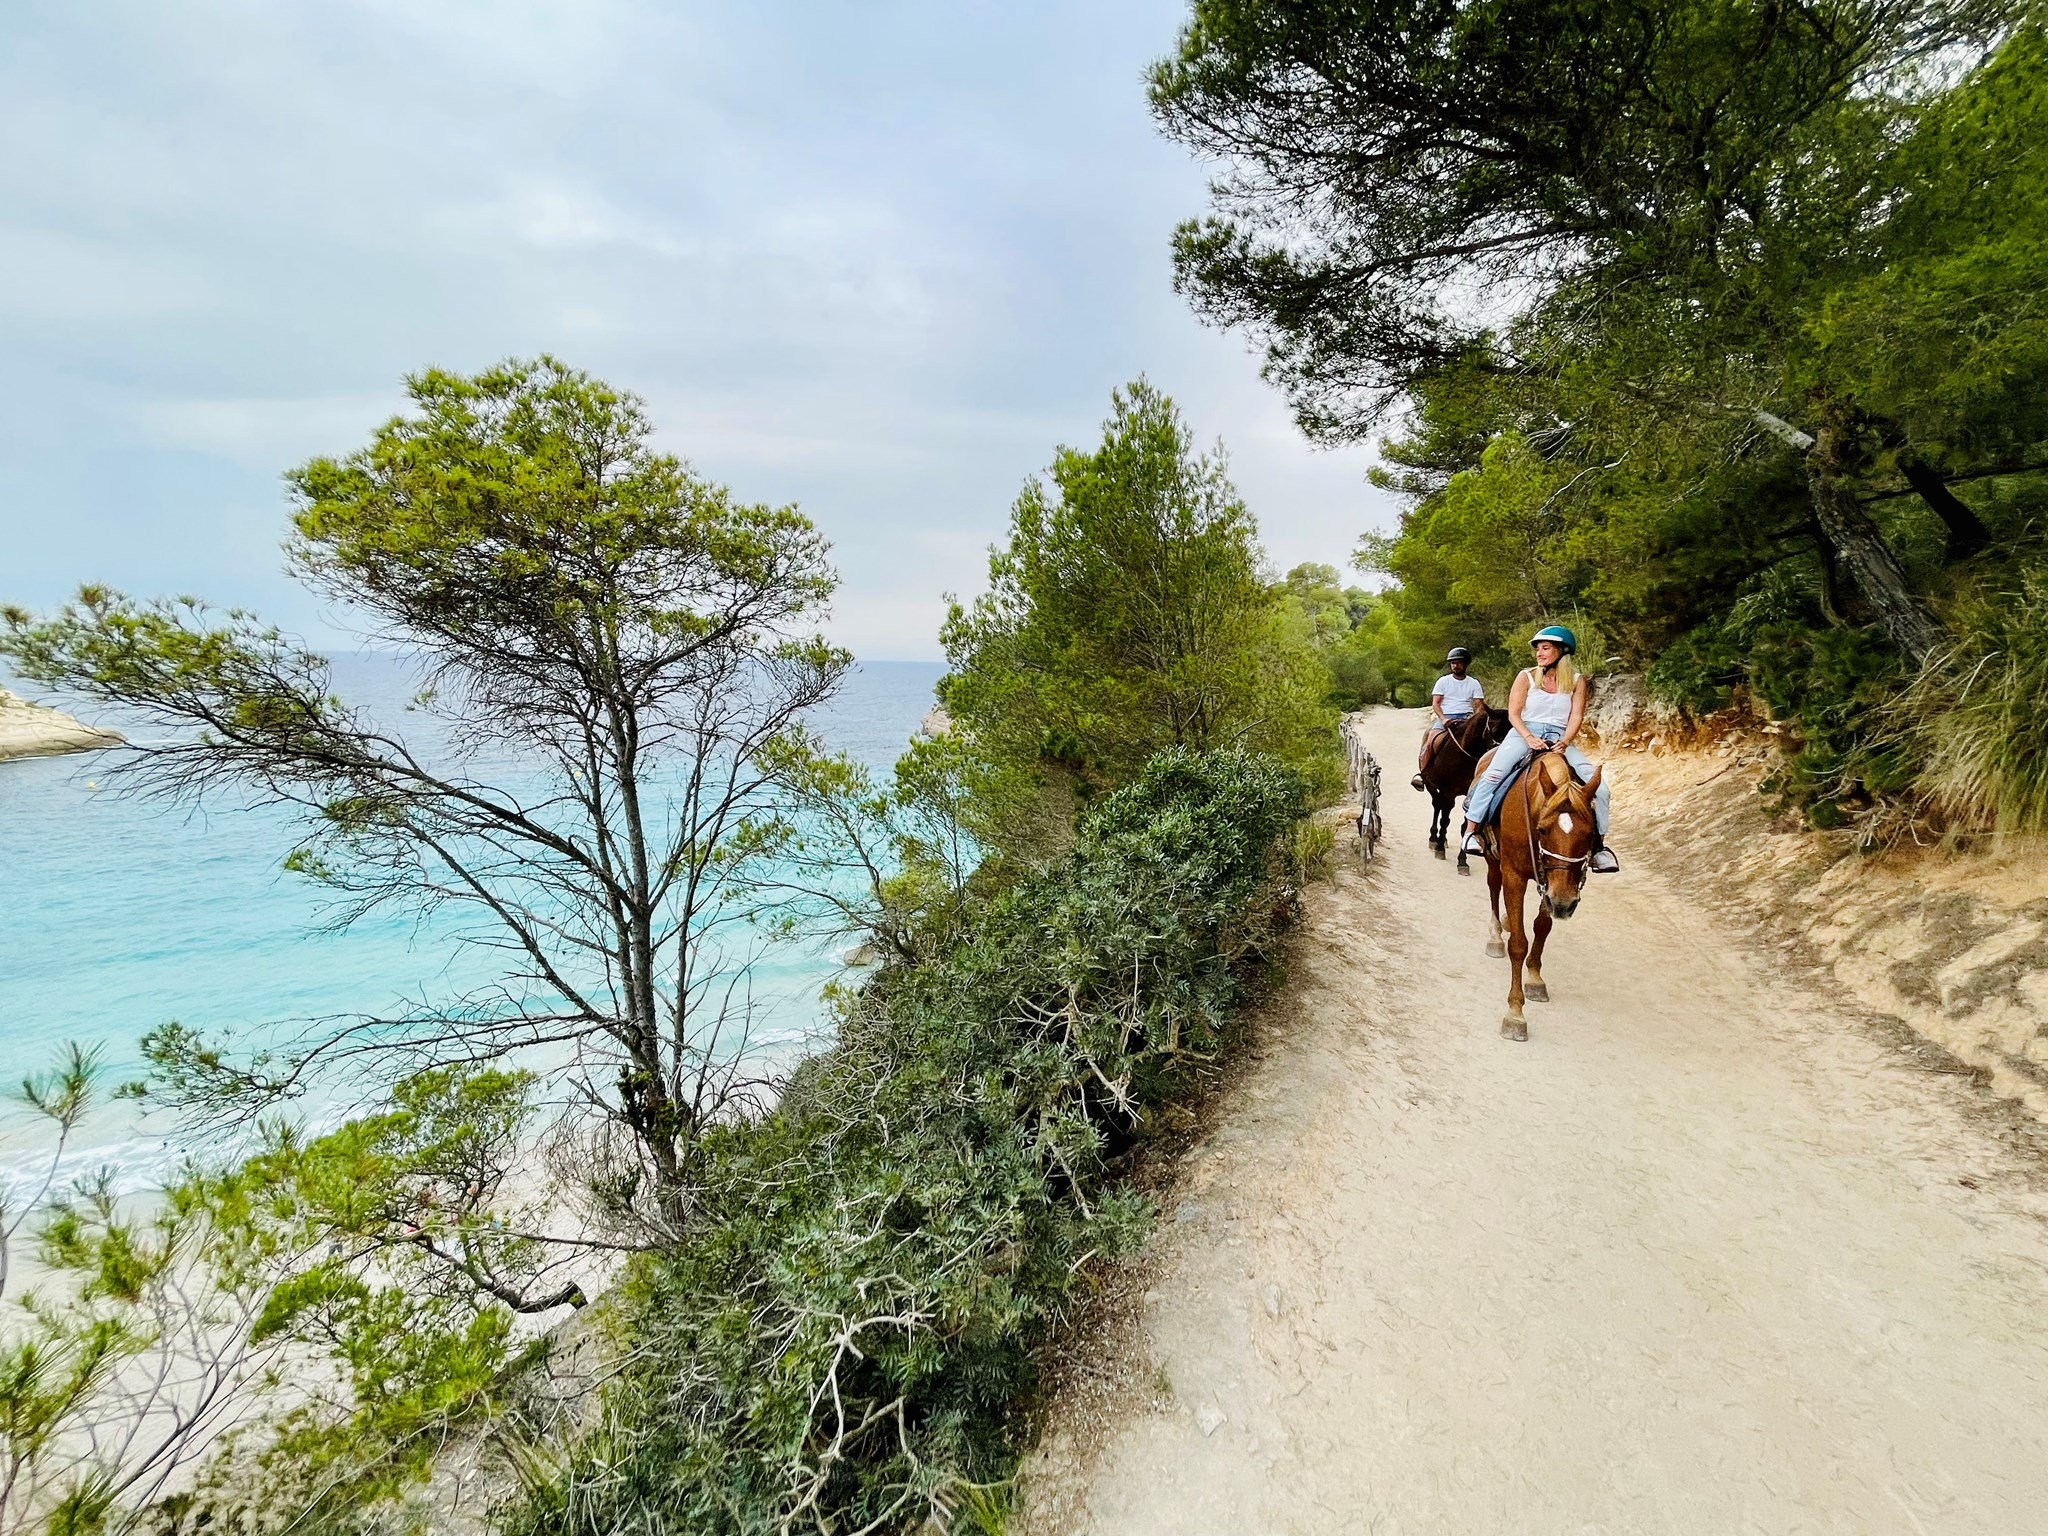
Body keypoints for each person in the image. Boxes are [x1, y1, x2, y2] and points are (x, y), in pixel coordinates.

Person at [1460, 626, 1620, 873]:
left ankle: (1599, 847)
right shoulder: (1526, 676)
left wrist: (1565, 741)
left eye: (1545, 648)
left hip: (1560, 737)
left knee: (1601, 790)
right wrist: (1529, 737)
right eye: (1538, 648)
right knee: (1493, 774)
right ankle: (1472, 831)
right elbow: (1513, 713)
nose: (1539, 653)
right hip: (1524, 733)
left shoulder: (1577, 682)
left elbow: (1576, 715)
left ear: (1561, 651)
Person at [1411, 647, 1486, 791]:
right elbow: (1436, 703)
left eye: (1458, 663)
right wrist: (1443, 718)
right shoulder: (1443, 682)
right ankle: (1423, 774)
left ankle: (1486, 773)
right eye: (1453, 663)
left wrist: (1475, 719)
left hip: (1467, 717)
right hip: (1447, 716)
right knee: (1431, 737)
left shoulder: (1473, 683)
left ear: (1465, 664)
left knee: (1483, 739)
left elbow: (1479, 705)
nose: (1455, 666)